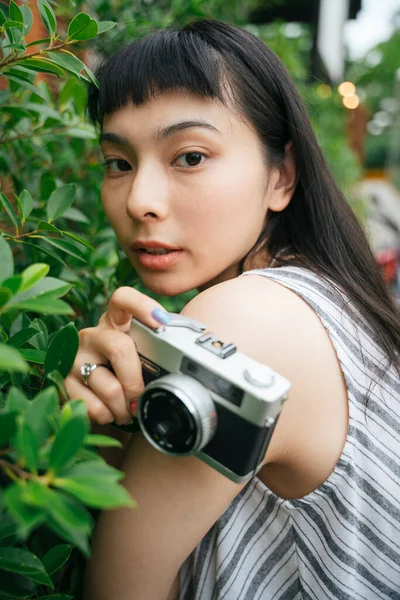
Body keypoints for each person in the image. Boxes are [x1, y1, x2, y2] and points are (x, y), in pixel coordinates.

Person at [64, 20, 400, 600]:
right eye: (118, 162)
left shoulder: (246, 318)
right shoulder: (321, 292)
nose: (139, 200)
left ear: (281, 176)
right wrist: (118, 419)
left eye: (189, 156)